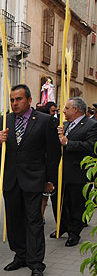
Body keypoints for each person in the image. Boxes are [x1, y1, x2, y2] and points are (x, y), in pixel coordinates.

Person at [0, 85, 60, 276]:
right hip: (11, 180)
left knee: (34, 221)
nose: (15, 103)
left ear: (29, 100)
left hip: (34, 179)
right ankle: (20, 255)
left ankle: (36, 263)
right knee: (14, 221)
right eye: (12, 100)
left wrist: (50, 180)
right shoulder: (4, 120)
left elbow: (53, 153)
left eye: (19, 99)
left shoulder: (45, 121)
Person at [51, 97, 97, 246]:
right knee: (59, 201)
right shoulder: (64, 125)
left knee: (76, 204)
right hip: (60, 172)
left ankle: (74, 233)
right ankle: (62, 225)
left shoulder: (91, 125)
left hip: (78, 173)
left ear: (76, 109)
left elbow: (90, 147)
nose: (63, 111)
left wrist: (68, 143)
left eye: (66, 108)